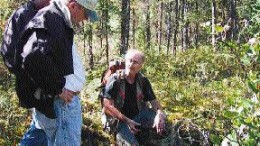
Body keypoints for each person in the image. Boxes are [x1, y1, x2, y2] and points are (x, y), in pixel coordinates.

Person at [15, 0, 98, 145]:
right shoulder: (52, 18)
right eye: (85, 14)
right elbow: (32, 56)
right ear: (73, 5)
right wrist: (58, 89)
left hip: (60, 102)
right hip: (61, 104)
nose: (85, 19)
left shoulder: (56, 18)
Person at [1, 0, 50, 145]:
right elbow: (8, 53)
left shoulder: (51, 13)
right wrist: (29, 75)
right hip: (33, 87)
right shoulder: (21, 16)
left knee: (45, 128)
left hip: (53, 85)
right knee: (40, 127)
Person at [103, 49, 167, 145]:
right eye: (129, 60)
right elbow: (107, 106)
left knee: (165, 125)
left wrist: (159, 114)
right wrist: (127, 121)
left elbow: (154, 102)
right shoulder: (115, 80)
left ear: (141, 66)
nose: (131, 64)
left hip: (139, 116)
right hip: (119, 122)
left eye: (135, 62)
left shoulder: (143, 81)